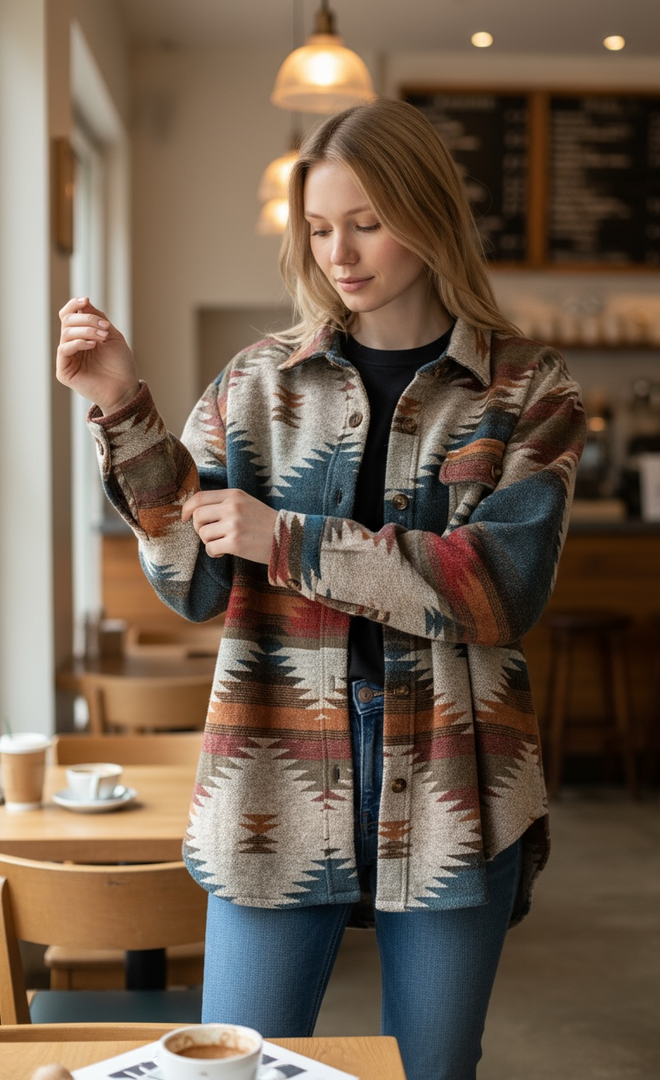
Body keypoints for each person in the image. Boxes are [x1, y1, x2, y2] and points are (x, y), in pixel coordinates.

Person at [56, 97, 586, 1080]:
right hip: (270, 778)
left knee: (433, 1071)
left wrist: (289, 540)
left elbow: (498, 588)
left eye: (368, 222)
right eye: (319, 227)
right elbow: (194, 585)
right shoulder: (256, 385)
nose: (339, 253)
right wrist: (121, 408)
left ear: (430, 214)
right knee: (235, 1068)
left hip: (455, 790)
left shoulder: (526, 390)